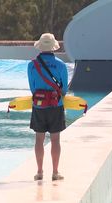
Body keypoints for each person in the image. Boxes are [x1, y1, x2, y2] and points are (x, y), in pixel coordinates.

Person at [27, 33, 68, 181]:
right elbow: (64, 89)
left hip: (38, 106)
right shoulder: (61, 65)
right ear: (53, 48)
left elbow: (32, 88)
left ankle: (39, 172)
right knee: (55, 140)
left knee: (39, 139)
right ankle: (55, 172)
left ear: (40, 47)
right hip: (56, 105)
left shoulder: (31, 65)